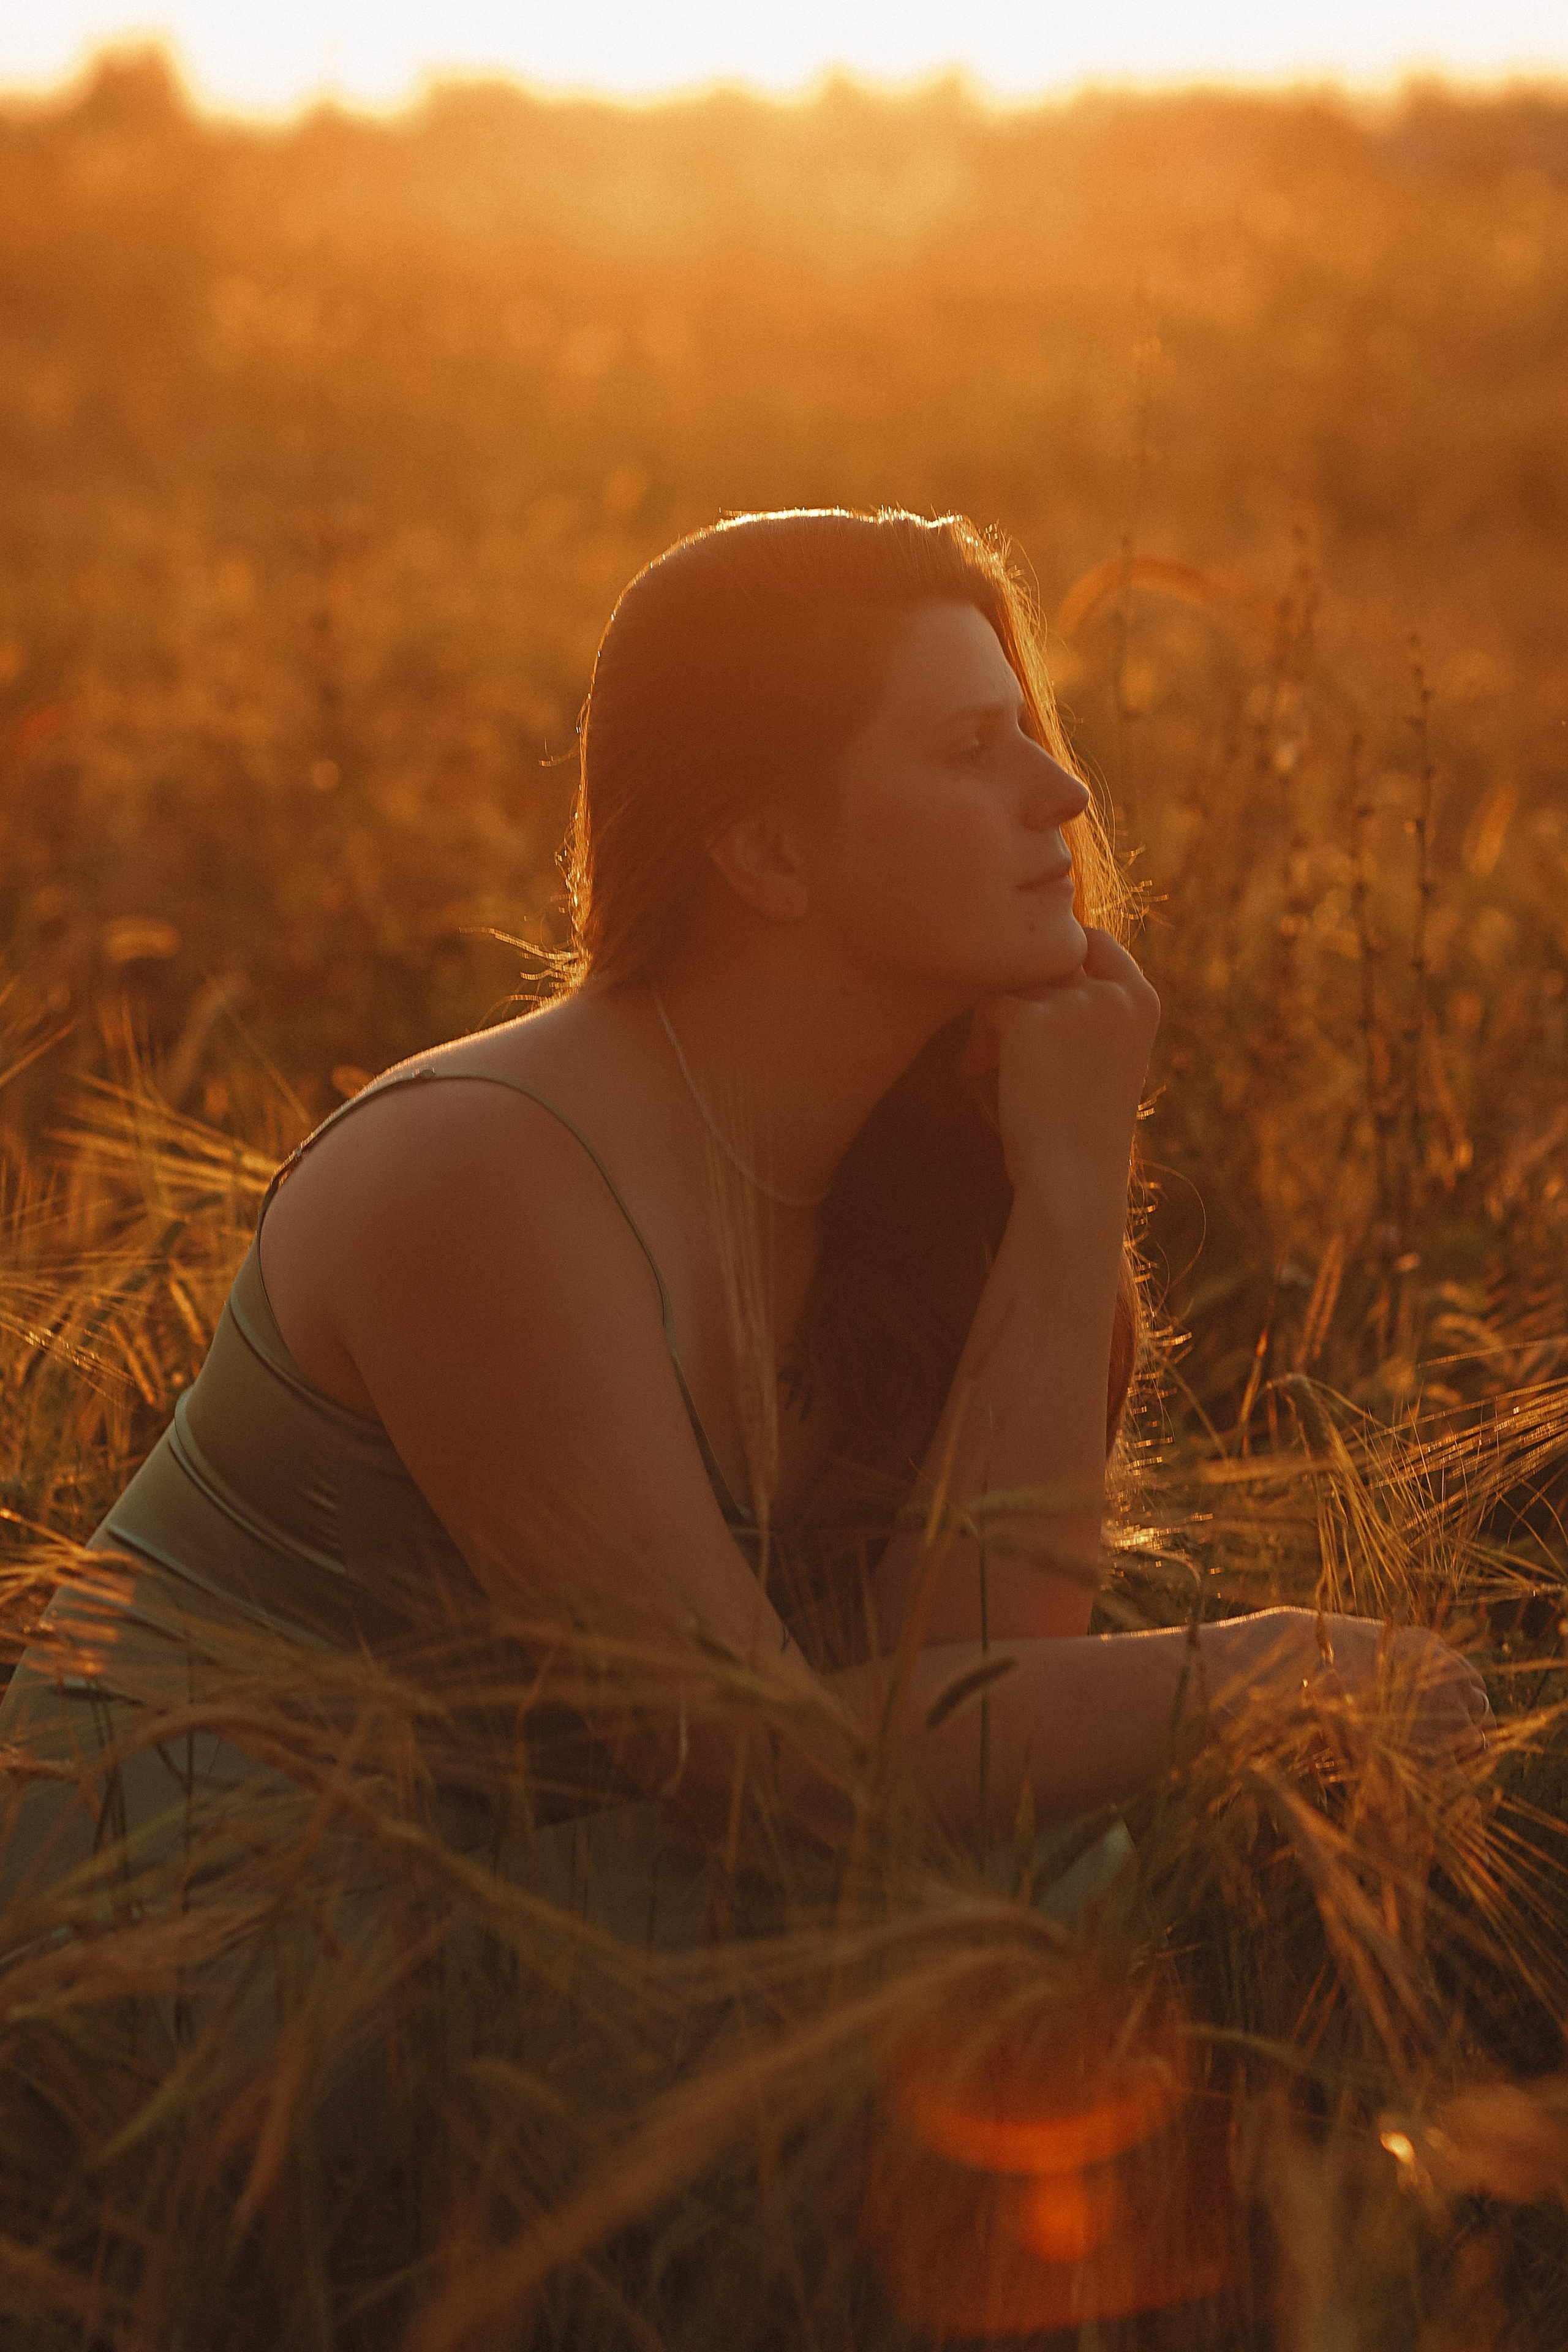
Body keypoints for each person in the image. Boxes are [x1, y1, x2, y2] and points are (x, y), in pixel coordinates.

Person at [0, 507, 1489, 1926]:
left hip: (504, 1905)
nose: (1064, 794)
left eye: (1027, 727)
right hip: (188, 1939)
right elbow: (773, 1784)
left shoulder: (907, 1181)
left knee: (1032, 1875)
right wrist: (1270, 1668)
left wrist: (1069, 1188)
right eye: (974, 748)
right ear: (765, 851)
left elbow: (976, 1685)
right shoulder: (481, 1175)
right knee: (1033, 1903)